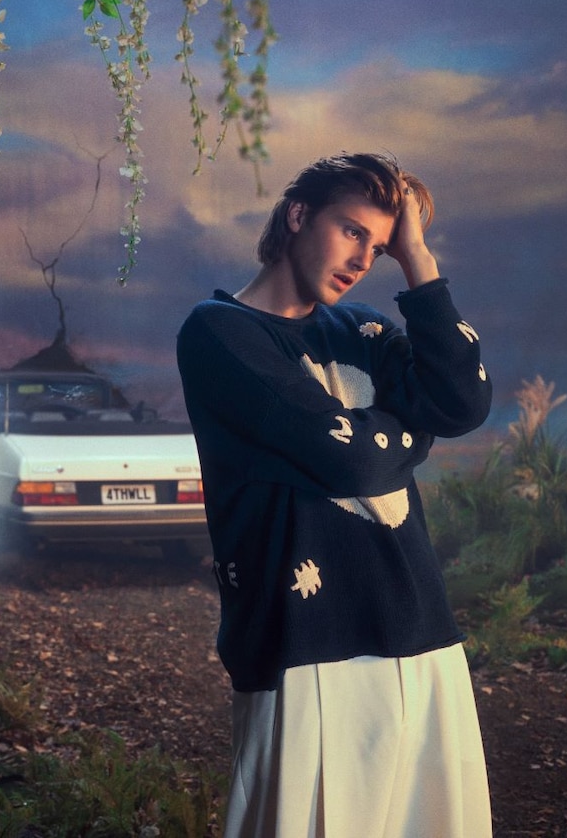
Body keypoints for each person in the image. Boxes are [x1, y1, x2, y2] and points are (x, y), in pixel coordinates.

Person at [176, 153, 493, 837]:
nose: (361, 261)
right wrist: (415, 431)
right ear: (298, 216)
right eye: (352, 231)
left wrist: (418, 260)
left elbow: (463, 402)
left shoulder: (362, 328)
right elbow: (347, 463)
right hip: (304, 645)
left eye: (379, 248)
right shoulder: (219, 333)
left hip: (422, 628)